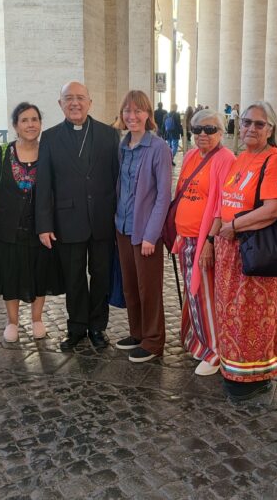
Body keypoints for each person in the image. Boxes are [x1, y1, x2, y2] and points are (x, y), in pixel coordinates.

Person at [214, 101, 277, 401]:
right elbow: (226, 200)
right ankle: (233, 368)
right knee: (231, 312)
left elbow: (274, 208)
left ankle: (255, 375)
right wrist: (216, 234)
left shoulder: (274, 161)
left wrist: (234, 226)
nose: (251, 128)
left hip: (254, 249)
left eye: (259, 124)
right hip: (228, 248)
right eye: (246, 122)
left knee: (253, 314)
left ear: (270, 129)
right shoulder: (241, 157)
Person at [36, 81, 121, 350]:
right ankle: (76, 327)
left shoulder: (109, 135)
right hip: (67, 220)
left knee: (100, 276)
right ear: (59, 103)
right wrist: (44, 224)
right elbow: (44, 184)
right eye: (68, 98)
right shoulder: (49, 138)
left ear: (90, 102)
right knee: (73, 277)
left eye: (80, 98)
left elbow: (117, 179)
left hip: (102, 219)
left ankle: (97, 327)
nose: (75, 103)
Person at [0, 102, 64, 343]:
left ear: (41, 124)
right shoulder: (1, 154)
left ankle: (37, 319)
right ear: (15, 126)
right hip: (8, 227)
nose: (30, 124)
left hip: (40, 227)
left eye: (35, 119)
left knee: (39, 273)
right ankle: (12, 322)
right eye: (24, 120)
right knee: (10, 274)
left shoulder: (49, 152)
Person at [172, 109, 235, 375]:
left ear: (221, 133)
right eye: (197, 129)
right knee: (193, 293)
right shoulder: (189, 156)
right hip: (185, 237)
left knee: (206, 294)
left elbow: (222, 205)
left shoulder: (225, 159)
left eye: (210, 130)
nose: (202, 134)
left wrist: (209, 241)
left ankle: (214, 352)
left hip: (203, 239)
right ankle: (197, 341)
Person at [113, 90, 173, 363]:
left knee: (149, 287)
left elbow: (163, 195)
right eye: (127, 111)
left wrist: (152, 234)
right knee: (130, 285)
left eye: (137, 111)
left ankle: (153, 340)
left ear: (148, 114)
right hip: (122, 227)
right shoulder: (123, 146)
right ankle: (137, 332)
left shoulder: (158, 147)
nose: (132, 116)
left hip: (145, 231)